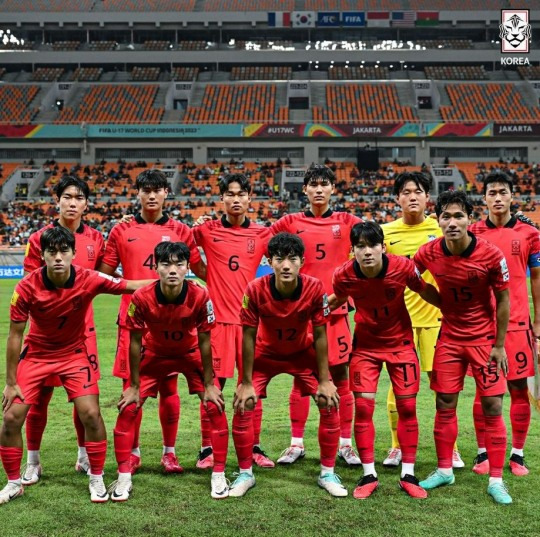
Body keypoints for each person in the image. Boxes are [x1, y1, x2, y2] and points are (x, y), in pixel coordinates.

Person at [1, 227, 150, 505]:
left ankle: (96, 477)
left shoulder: (89, 278)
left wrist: (169, 280)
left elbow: (128, 285)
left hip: (74, 356)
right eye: (52, 252)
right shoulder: (25, 288)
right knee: (11, 417)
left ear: (73, 253)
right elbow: (14, 336)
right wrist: (10, 383)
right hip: (36, 356)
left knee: (91, 414)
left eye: (63, 251)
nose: (58, 257)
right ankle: (13, 483)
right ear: (42, 255)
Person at [99, 169, 205, 475]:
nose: (152, 195)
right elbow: (104, 274)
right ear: (138, 194)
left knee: (169, 389)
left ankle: (169, 453)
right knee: (132, 388)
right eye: (146, 189)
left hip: (171, 322)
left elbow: (197, 268)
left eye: (158, 189)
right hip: (132, 321)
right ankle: (132, 453)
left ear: (165, 194)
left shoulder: (181, 230)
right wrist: (133, 285)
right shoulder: (121, 231)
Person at [415, 191, 512, 505]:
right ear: (438, 220)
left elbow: (505, 301)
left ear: (470, 219)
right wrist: (440, 301)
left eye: (459, 216)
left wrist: (499, 345)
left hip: (485, 341)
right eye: (446, 216)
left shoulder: (491, 254)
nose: (452, 222)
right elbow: (411, 278)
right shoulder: (428, 252)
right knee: (444, 403)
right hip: (450, 339)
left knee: (493, 407)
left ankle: (496, 480)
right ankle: (445, 469)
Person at [112, 242, 229, 501]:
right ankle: (123, 477)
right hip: (154, 354)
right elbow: (134, 341)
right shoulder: (141, 297)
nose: (172, 270)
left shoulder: (200, 295)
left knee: (214, 404)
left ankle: (219, 473)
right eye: (166, 264)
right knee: (129, 407)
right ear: (156, 267)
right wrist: (132, 385)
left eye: (179, 264)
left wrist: (210, 383)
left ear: (188, 267)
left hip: (189, 353)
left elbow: (206, 340)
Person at [230, 233, 345, 497]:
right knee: (243, 403)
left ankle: (327, 473)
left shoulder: (315, 288)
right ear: (269, 261)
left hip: (301, 353)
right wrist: (246, 382)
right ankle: (245, 473)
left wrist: (326, 380)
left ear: (302, 262)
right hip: (265, 354)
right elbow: (247, 335)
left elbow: (319, 335)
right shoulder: (255, 289)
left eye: (292, 259)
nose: (285, 265)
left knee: (329, 401)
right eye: (279, 259)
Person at [330, 222, 439, 499]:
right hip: (365, 348)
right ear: (352, 250)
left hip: (401, 345)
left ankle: (408, 474)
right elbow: (336, 298)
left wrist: (452, 309)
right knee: (364, 409)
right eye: (360, 247)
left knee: (408, 407)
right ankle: (369, 474)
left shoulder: (403, 267)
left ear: (383, 247)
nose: (367, 252)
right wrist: (307, 309)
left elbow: (423, 288)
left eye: (372, 245)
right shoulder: (343, 275)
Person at [271, 164, 362, 467]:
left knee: (341, 378)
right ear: (305, 190)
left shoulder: (347, 222)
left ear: (332, 189)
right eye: (314, 184)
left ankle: (345, 445)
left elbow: (377, 240)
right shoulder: (289, 222)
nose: (319, 189)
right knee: (301, 378)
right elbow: (258, 241)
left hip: (336, 313)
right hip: (302, 315)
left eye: (325, 184)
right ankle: (296, 443)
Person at [22, 176, 106, 485]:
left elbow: (104, 279)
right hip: (45, 335)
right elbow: (31, 286)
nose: (72, 202)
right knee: (39, 398)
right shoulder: (38, 239)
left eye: (78, 197)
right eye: (67, 197)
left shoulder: (97, 239)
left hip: (84, 333)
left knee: (82, 398)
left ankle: (84, 457)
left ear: (86, 204)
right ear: (57, 201)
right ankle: (33, 462)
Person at [382, 172, 464, 469]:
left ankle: (451, 448)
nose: (412, 196)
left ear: (427, 197)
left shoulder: (442, 228)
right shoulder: (385, 232)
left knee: (443, 387)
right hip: (398, 324)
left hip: (436, 321)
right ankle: (395, 447)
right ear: (397, 198)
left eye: (418, 191)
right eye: (406, 192)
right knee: (398, 387)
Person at [192, 174, 273, 469]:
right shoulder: (205, 231)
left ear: (249, 198)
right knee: (212, 385)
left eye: (241, 194)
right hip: (217, 324)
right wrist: (208, 276)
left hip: (251, 323)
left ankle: (253, 445)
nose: (236, 199)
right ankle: (207, 448)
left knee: (253, 386)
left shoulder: (263, 234)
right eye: (230, 194)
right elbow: (185, 250)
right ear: (222, 199)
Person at [469, 172, 540, 476]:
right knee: (482, 392)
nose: (497, 198)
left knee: (518, 389)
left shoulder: (530, 233)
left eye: (503, 192)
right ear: (483, 198)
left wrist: (538, 322)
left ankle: (518, 453)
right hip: (482, 326)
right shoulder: (471, 232)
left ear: (513, 196)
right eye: (492, 193)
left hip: (517, 324)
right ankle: (483, 452)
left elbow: (536, 278)